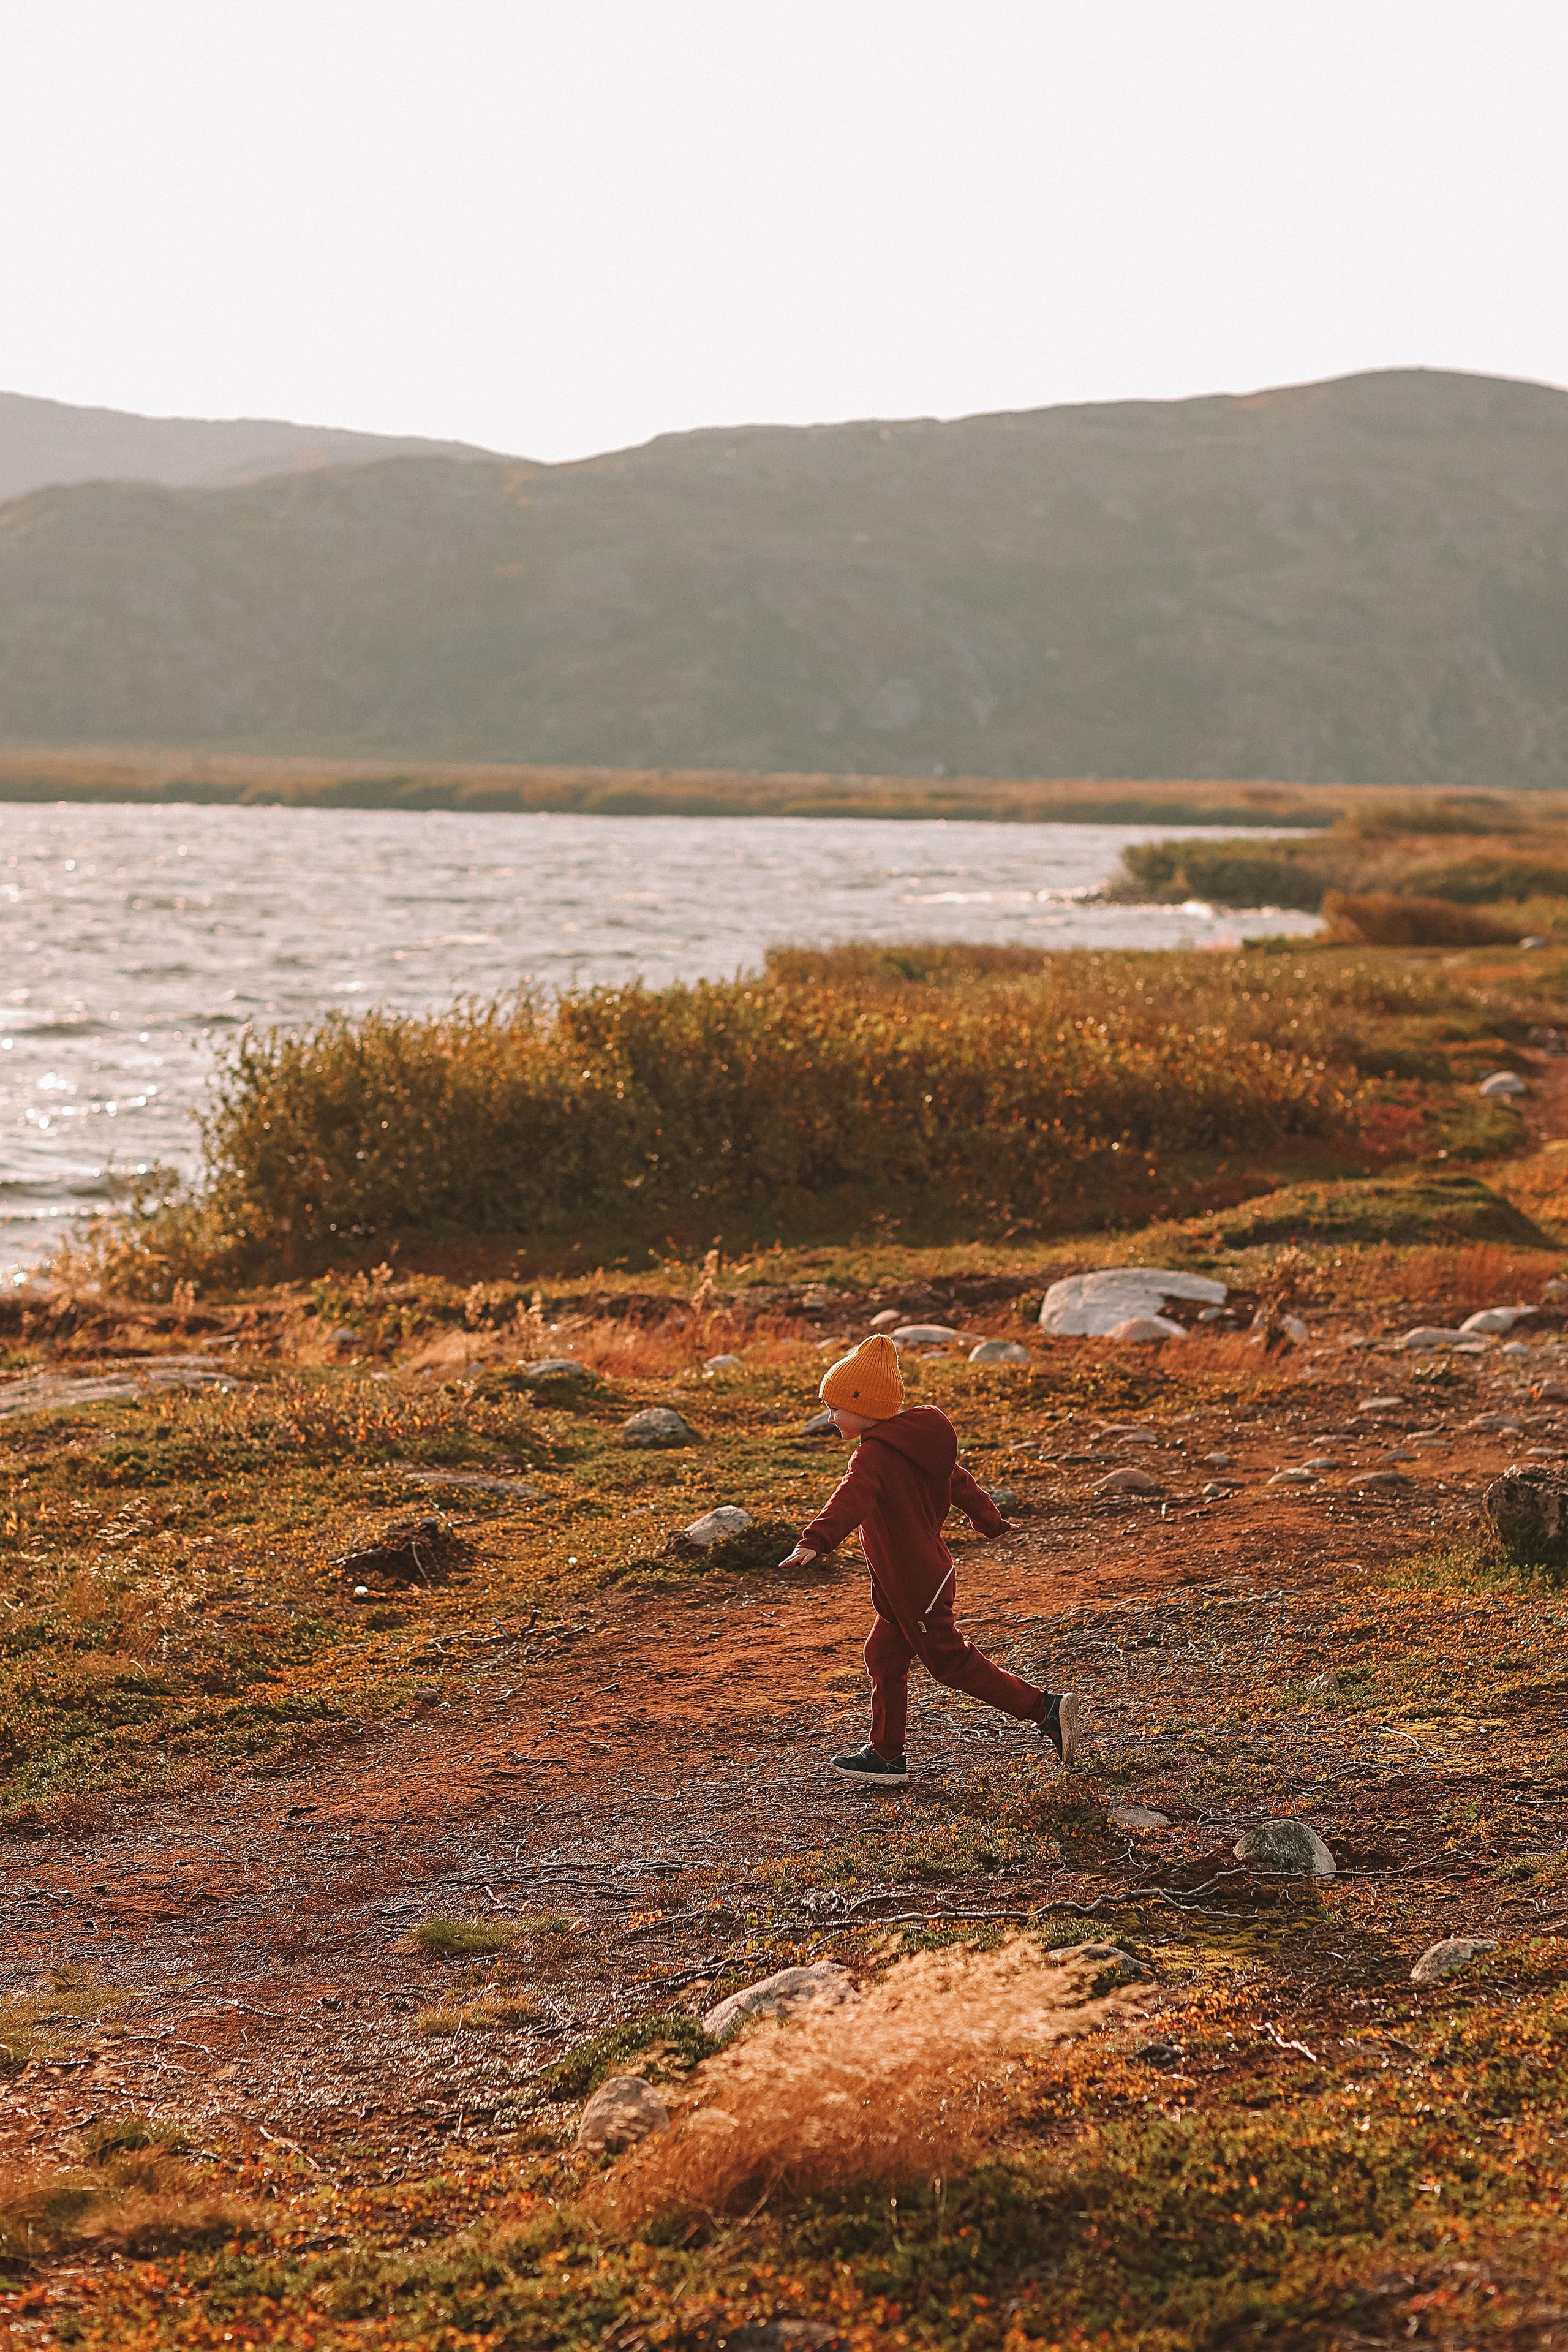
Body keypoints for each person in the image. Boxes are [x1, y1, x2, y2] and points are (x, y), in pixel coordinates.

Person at [778, 1333, 1080, 1785]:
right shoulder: (918, 1447)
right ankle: (886, 1756)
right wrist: (990, 1521)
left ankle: (1045, 1709)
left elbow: (851, 1498)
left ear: (866, 1405)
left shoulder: (873, 1457)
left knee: (949, 1662)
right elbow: (959, 1482)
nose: (830, 1417)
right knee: (883, 1655)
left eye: (835, 1407)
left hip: (915, 1581)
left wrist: (815, 1540)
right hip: (915, 1578)